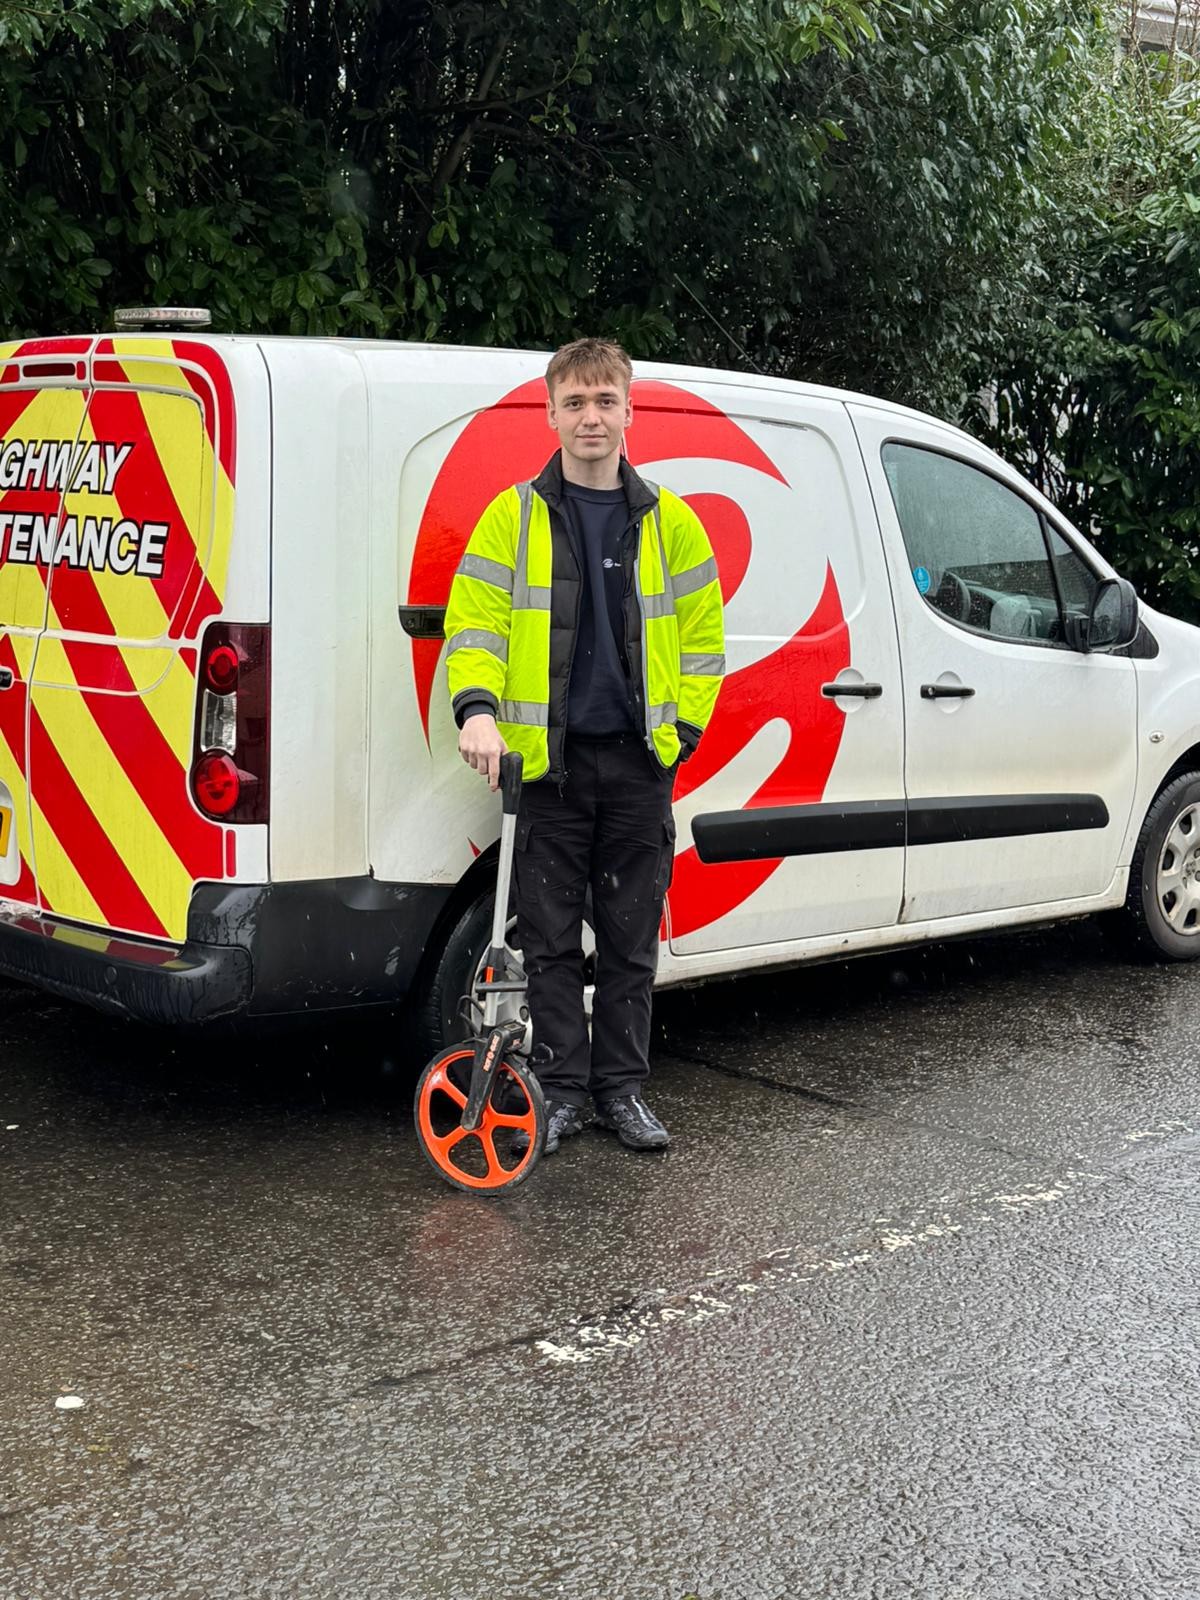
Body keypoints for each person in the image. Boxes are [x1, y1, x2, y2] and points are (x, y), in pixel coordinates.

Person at [443, 338, 725, 1155]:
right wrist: (476, 711)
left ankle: (623, 1091)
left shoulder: (671, 521)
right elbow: (474, 625)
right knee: (552, 945)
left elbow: (705, 641)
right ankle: (563, 1092)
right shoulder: (515, 516)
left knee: (632, 944)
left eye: (606, 401)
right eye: (575, 403)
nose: (591, 417)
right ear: (552, 412)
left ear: (630, 411)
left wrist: (680, 740)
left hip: (638, 768)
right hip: (548, 770)